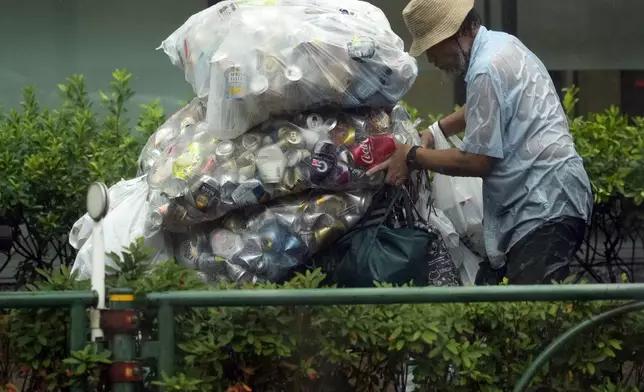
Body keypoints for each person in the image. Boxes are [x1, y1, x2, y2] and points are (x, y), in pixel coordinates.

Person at [367, 0, 594, 285]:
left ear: (451, 35)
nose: (432, 60)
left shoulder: (486, 68)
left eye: (431, 48)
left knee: (532, 314)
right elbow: (485, 106)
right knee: (497, 299)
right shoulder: (502, 44)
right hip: (553, 198)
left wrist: (412, 155)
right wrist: (436, 129)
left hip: (543, 205)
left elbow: (477, 161)